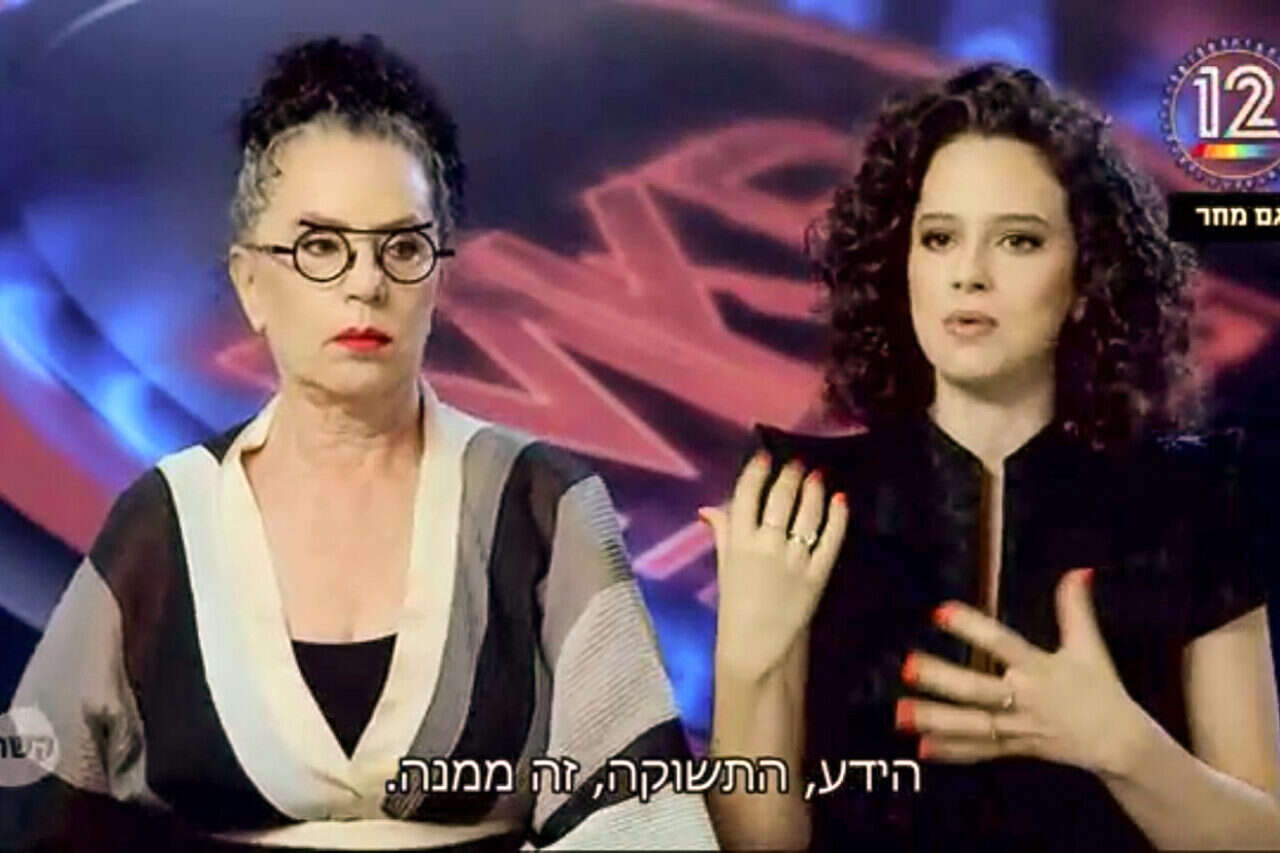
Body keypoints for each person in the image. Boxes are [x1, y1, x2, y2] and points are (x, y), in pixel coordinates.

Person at [3, 36, 717, 851]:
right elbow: (30, 797)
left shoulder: (545, 506)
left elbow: (644, 818)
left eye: (402, 247)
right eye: (320, 246)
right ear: (250, 282)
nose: (366, 282)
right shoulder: (163, 522)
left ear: (439, 279)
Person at [702, 63, 1280, 850]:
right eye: (939, 238)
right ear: (900, 262)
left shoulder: (1196, 496)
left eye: (1018, 240)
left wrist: (1125, 750)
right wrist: (747, 670)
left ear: (1087, 277)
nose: (968, 274)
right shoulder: (799, 492)